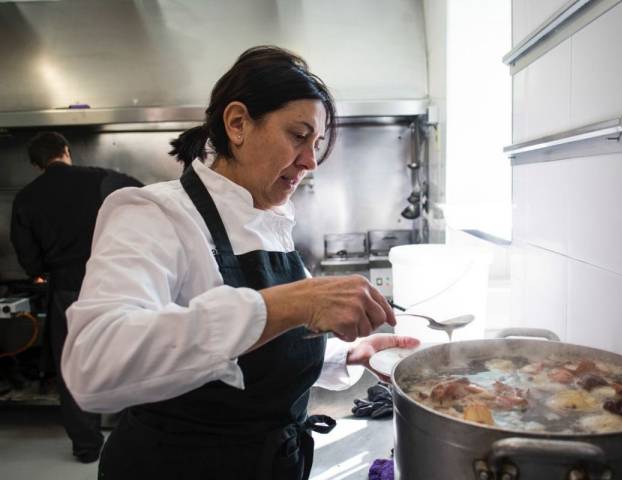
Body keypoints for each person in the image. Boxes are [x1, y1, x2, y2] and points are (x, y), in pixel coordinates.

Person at [62, 45, 418, 479]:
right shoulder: (153, 212)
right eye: (298, 135)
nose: (310, 161)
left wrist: (344, 356)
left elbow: (260, 357)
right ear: (237, 123)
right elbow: (93, 366)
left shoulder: (270, 220)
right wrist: (293, 302)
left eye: (317, 143)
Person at [10, 131, 143, 463]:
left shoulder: (26, 197)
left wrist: (41, 270)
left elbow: (28, 258)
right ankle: (134, 436)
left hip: (67, 289)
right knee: (125, 355)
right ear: (65, 151)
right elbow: (143, 195)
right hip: (113, 282)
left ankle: (87, 447)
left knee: (73, 366)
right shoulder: (100, 178)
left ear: (36, 163)